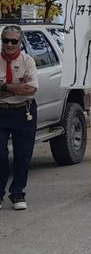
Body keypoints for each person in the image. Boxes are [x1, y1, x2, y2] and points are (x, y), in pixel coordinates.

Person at [0, 25, 38, 211]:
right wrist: (16, 86)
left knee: (22, 156)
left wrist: (4, 86)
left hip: (24, 111)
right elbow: (23, 88)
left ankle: (18, 193)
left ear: (20, 42)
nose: (9, 44)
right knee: (0, 155)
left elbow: (31, 90)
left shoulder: (28, 61)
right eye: (5, 40)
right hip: (1, 112)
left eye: (13, 41)